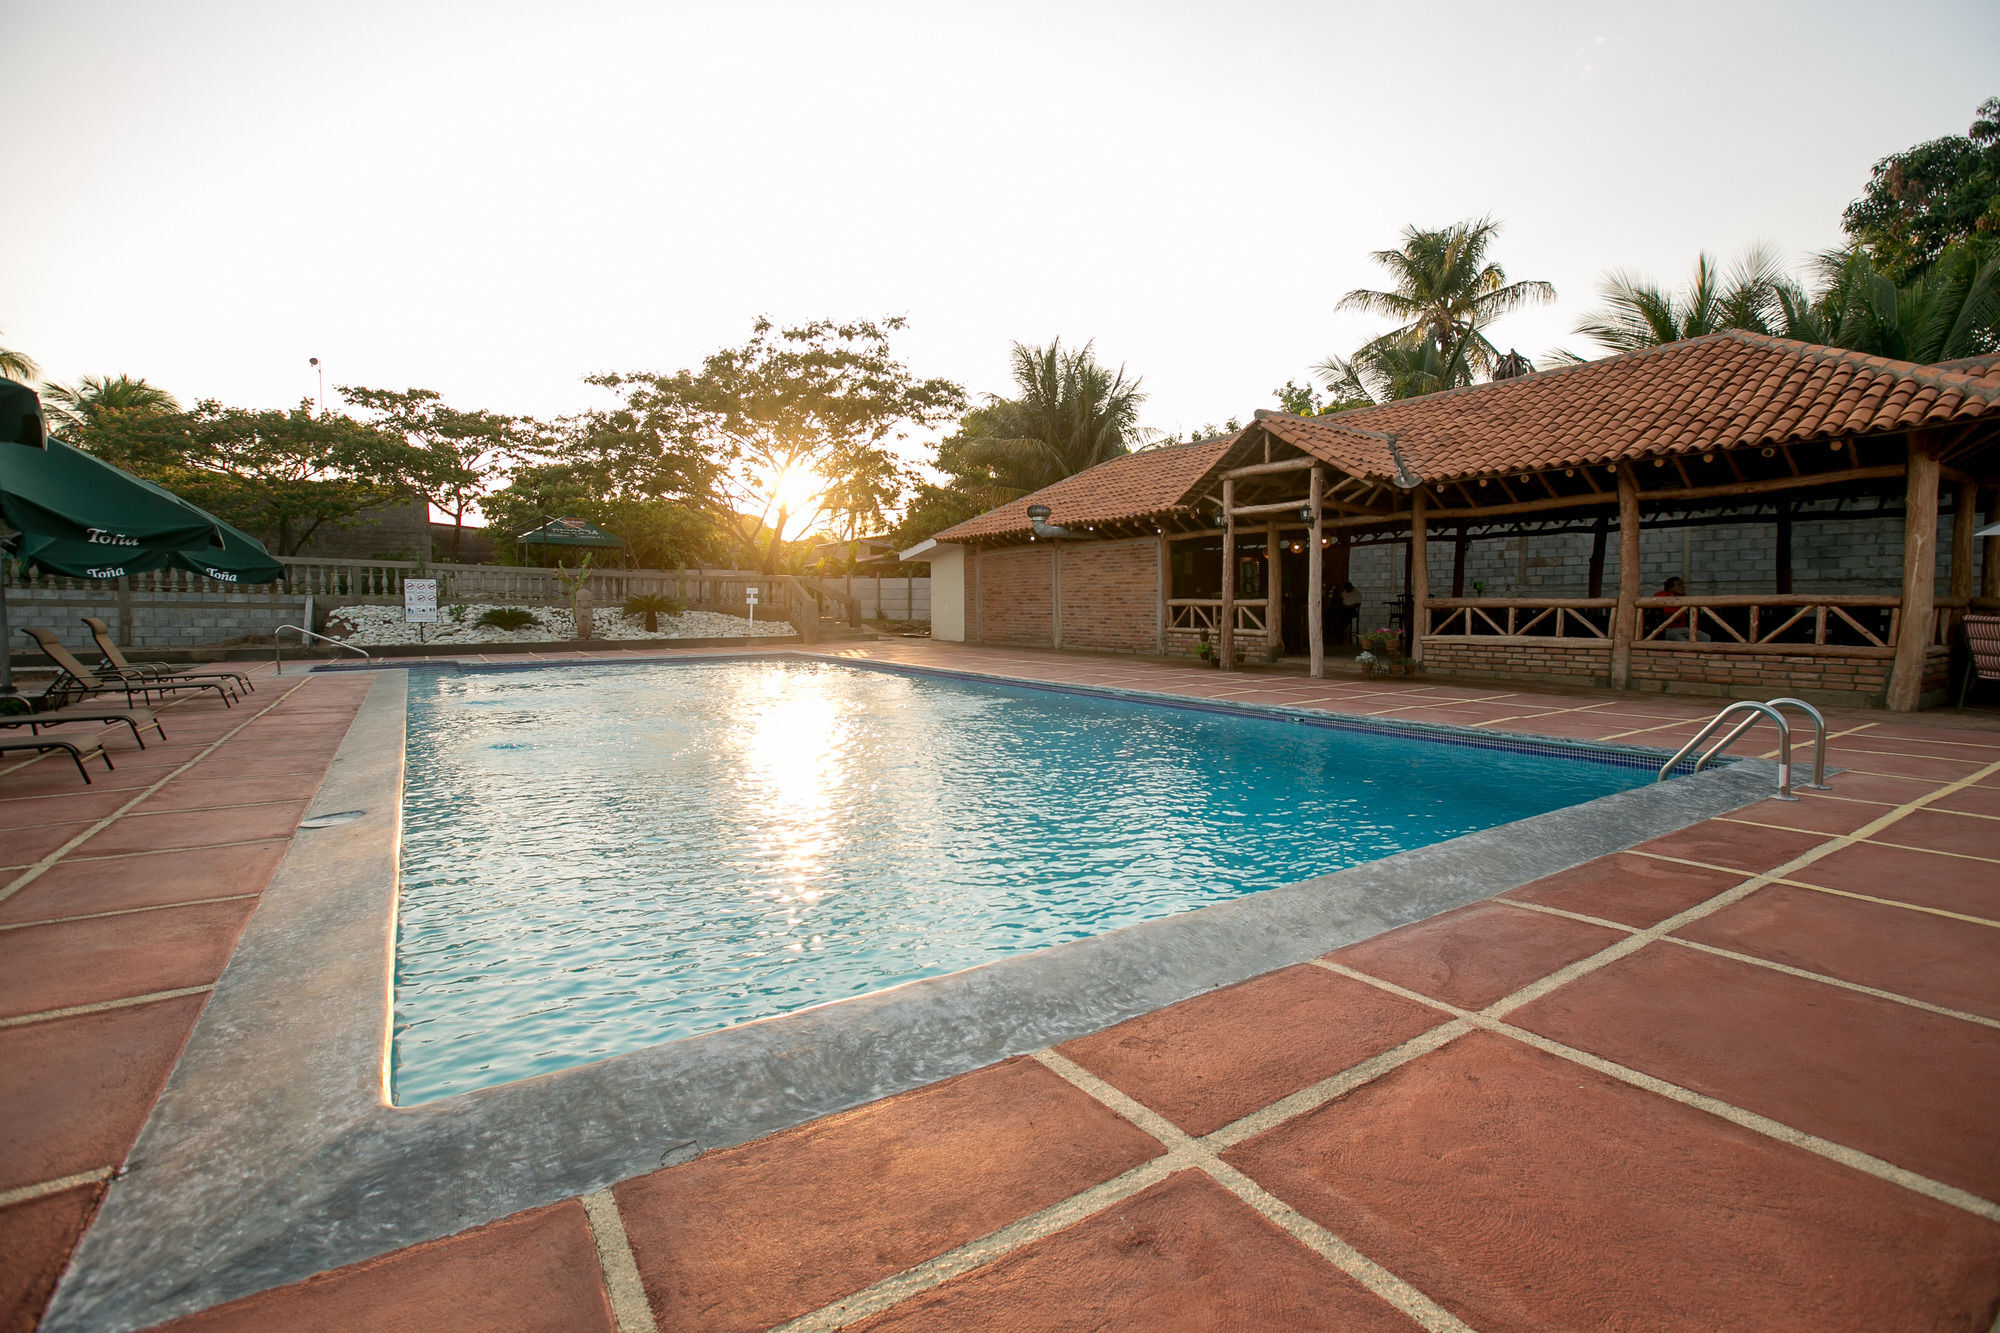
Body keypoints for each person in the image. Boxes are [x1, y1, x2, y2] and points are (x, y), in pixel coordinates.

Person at [1653, 576, 1711, 641]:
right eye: (1679, 585)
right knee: (1682, 640)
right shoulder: (1661, 595)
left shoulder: (1682, 597)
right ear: (1670, 588)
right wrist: (1673, 617)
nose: (1683, 587)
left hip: (1683, 628)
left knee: (1705, 637)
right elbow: (1656, 613)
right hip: (1666, 629)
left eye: (1682, 584)